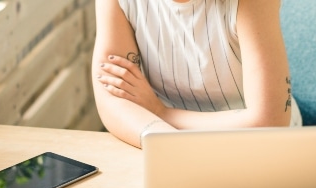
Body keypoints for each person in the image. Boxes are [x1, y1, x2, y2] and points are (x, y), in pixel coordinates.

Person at [92, 0, 302, 148]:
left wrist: (162, 112)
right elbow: (111, 96)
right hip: (164, 135)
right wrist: (165, 139)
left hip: (252, 143)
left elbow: (268, 121)